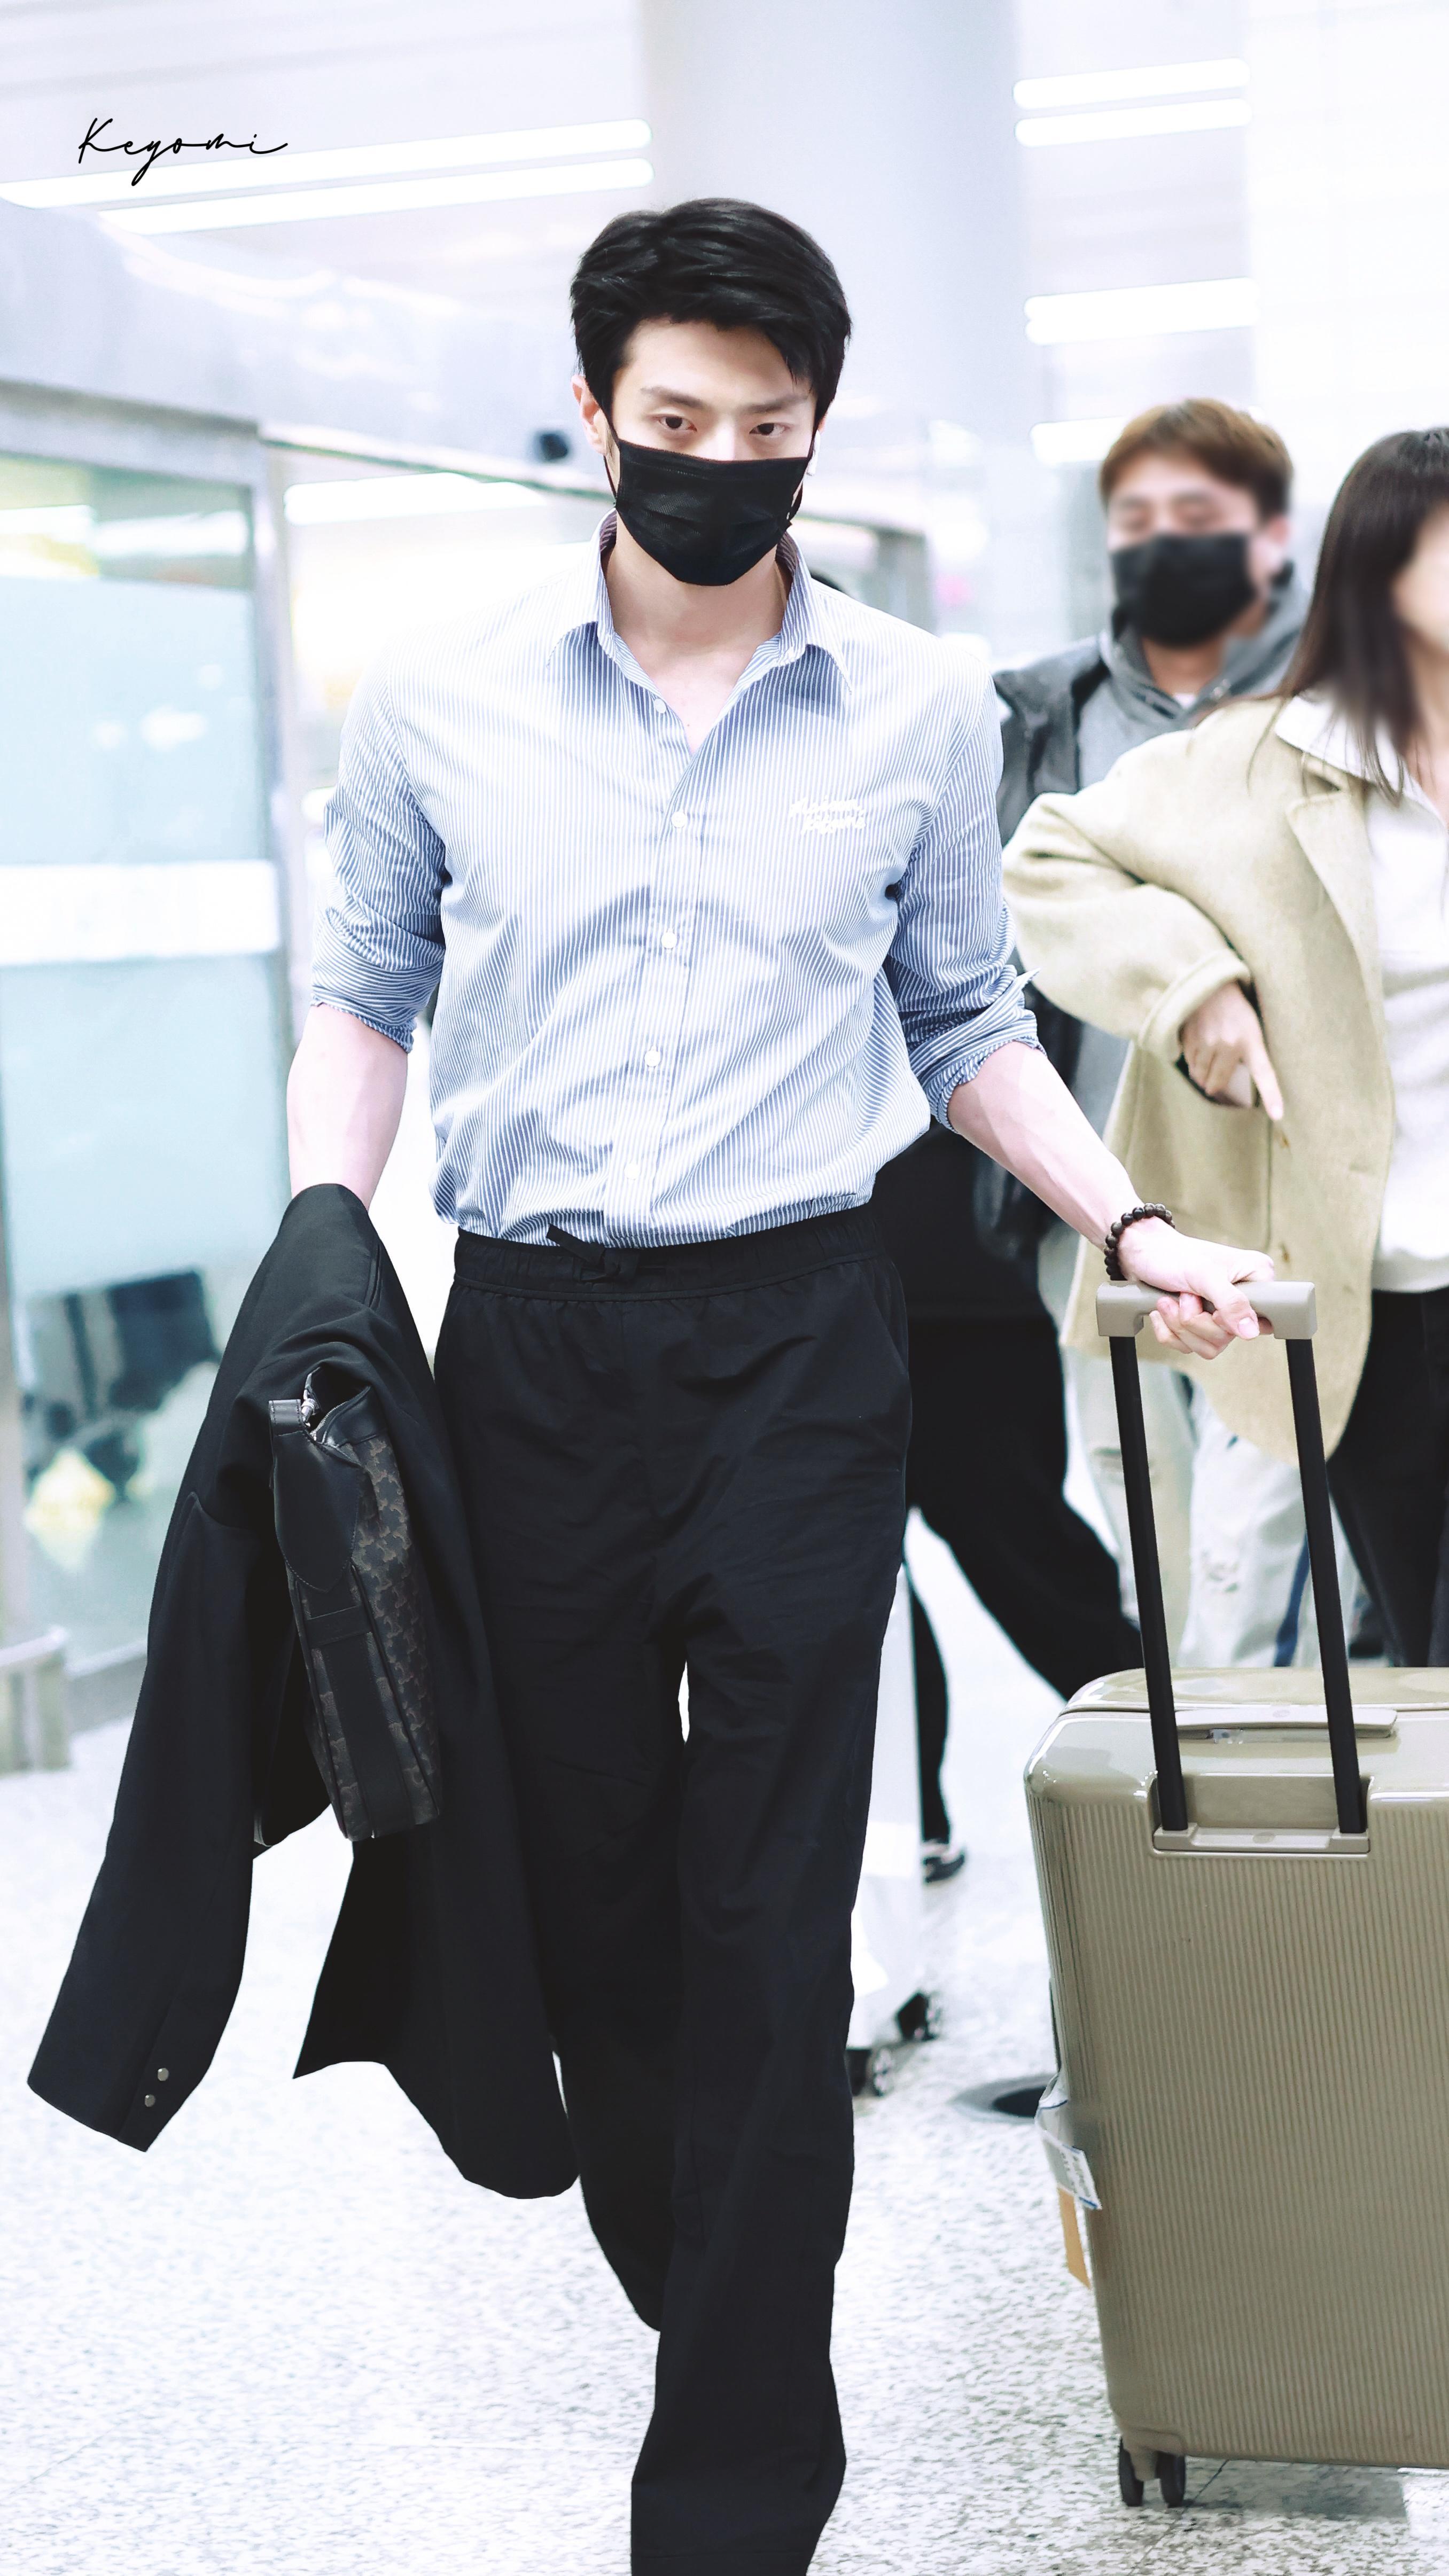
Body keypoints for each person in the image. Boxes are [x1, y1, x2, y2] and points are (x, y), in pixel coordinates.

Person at [288, 196, 1272, 2576]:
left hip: (803, 1343)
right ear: (598, 414)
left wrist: (1130, 1220)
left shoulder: (920, 708)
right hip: (532, 1343)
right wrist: (322, 1234)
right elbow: (370, 994)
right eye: (676, 421)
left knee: (768, 1899)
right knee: (598, 1890)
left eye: (766, 427)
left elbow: (962, 1021)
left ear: (817, 427)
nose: (719, 461)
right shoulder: (437, 699)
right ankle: (699, 2256)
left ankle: (733, 2484)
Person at [1006, 423, 1449, 1666]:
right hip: (1371, 1301)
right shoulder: (1262, 758)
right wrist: (1193, 984)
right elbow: (1049, 857)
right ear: (1380, 573)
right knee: (1424, 1655)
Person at [871, 1122, 1139, 1881]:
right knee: (858, 1584)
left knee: (1031, 1564)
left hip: (974, 1276)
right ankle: (905, 1814)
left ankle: (1166, 1751)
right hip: (833, 1288)